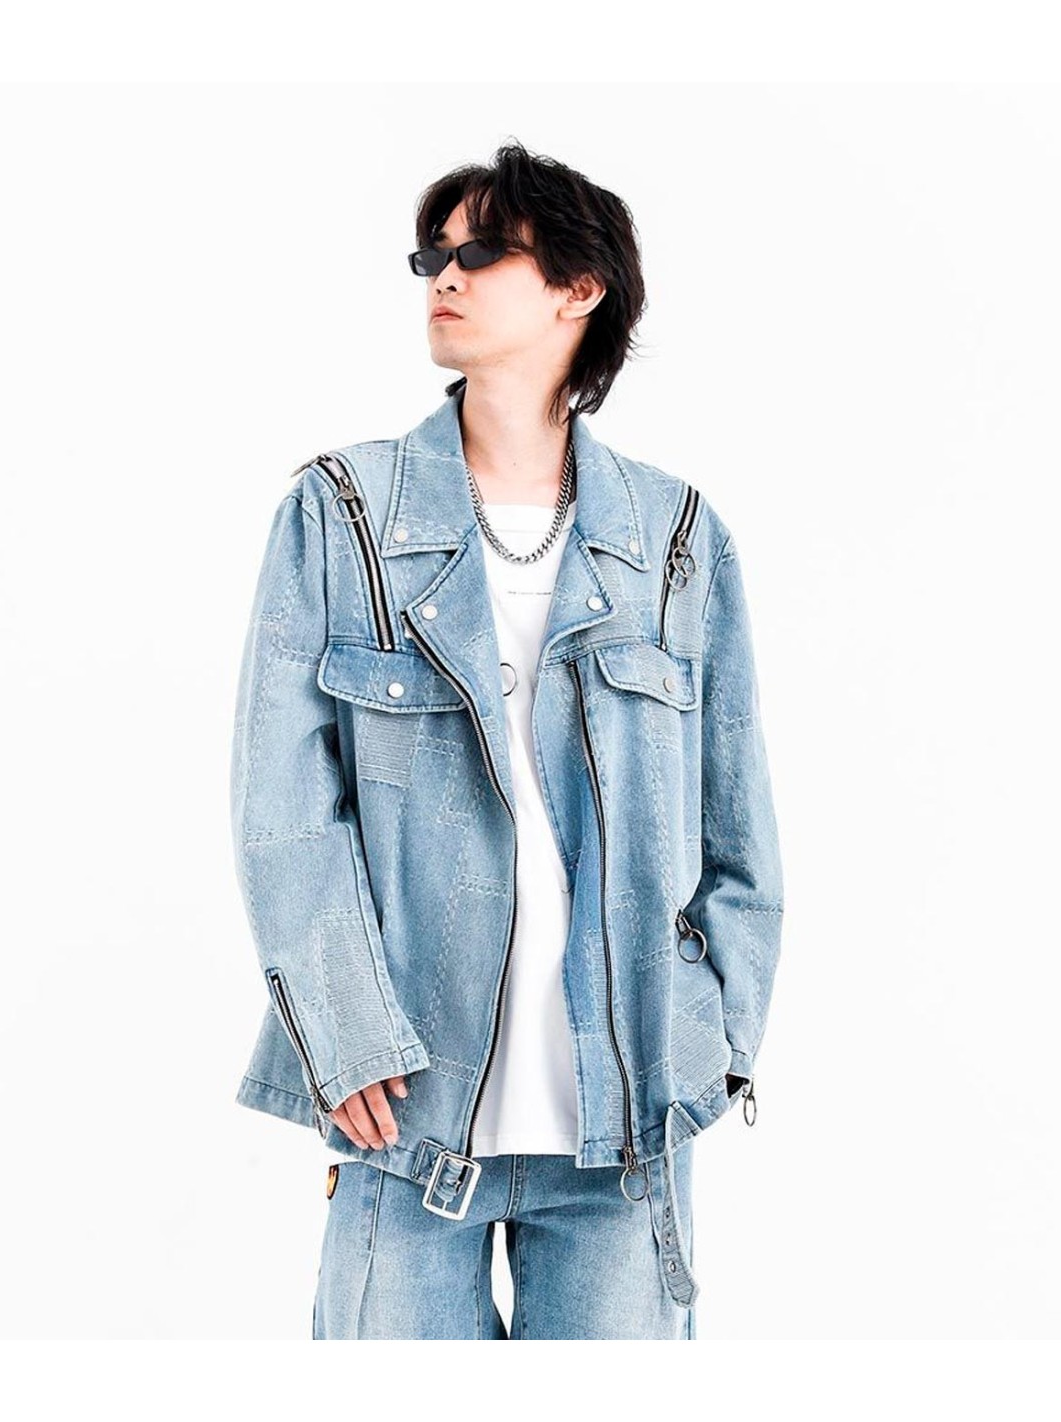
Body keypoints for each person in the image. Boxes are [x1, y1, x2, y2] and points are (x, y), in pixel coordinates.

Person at [230, 139, 784, 1339]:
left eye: (482, 252)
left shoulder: (676, 539)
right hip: (403, 1116)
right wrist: (341, 1030)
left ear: (580, 288)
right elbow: (283, 810)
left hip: (625, 1132)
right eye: (432, 255)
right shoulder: (342, 515)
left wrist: (711, 1040)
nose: (444, 275)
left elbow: (737, 824)